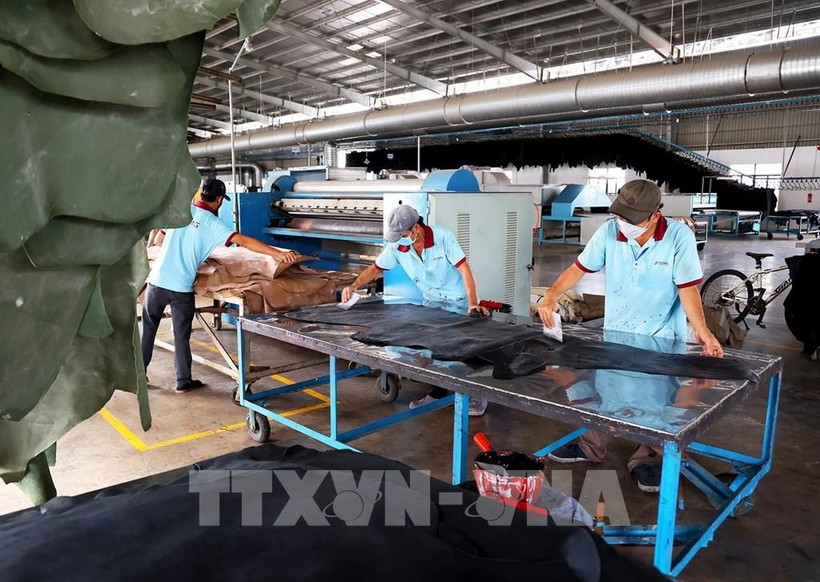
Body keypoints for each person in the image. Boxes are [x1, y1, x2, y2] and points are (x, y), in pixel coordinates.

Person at [537, 179, 723, 493]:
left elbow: (687, 288)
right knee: (605, 390)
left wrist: (703, 332)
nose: (624, 224)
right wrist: (551, 294)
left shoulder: (679, 237)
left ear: (654, 215)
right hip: (618, 331)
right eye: (621, 216)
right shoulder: (610, 231)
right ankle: (590, 446)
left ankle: (646, 458)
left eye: (631, 219)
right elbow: (580, 268)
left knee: (656, 403)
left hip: (661, 335)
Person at [141, 178, 298, 391]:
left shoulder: (182, 210)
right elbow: (245, 241)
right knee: (180, 336)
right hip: (180, 287)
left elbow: (159, 239)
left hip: (156, 282)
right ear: (218, 200)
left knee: (148, 330)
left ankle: (139, 377)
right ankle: (183, 381)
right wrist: (278, 253)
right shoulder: (212, 223)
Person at [341, 204, 490, 416]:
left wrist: (472, 303)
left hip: (457, 300)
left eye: (402, 234)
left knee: (460, 350)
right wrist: (354, 286)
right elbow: (376, 269)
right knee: (429, 349)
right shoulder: (398, 246)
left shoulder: (442, 237)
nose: (398, 239)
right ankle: (438, 393)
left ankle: (477, 396)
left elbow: (464, 268)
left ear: (415, 229)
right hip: (431, 301)